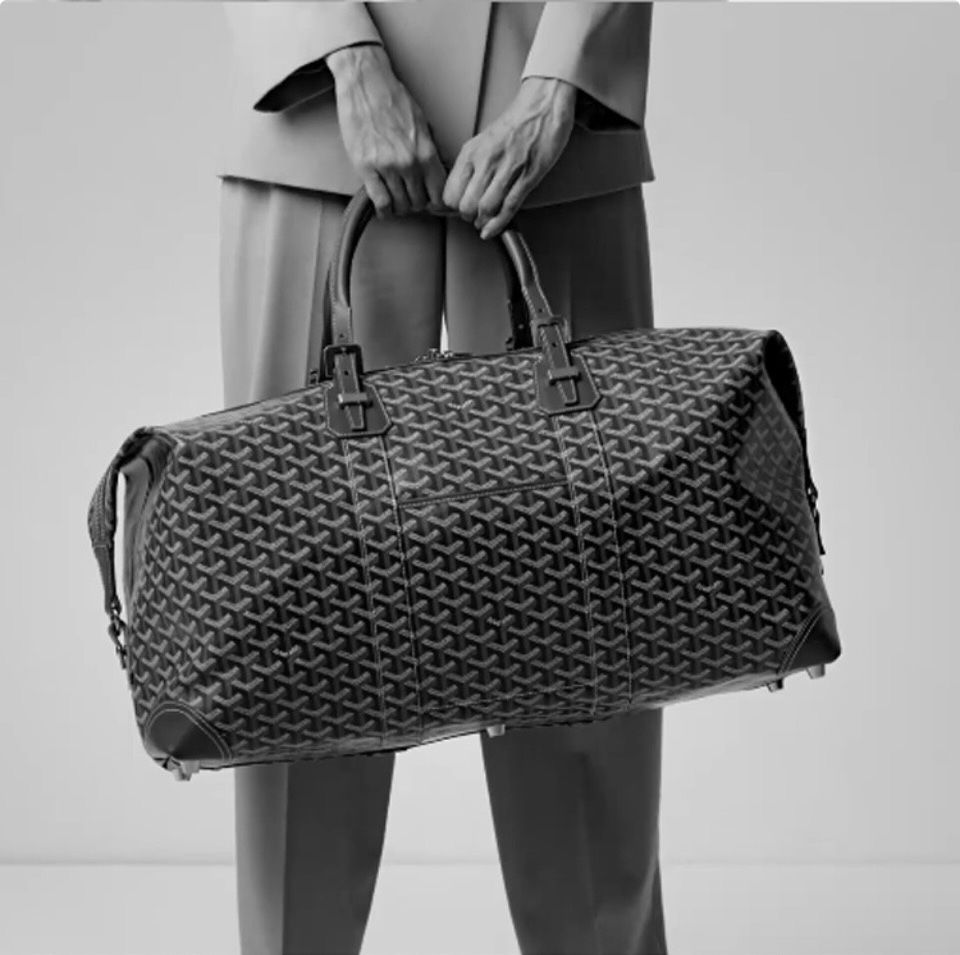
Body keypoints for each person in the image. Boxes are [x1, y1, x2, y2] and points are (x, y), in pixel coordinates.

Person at [218, 3, 667, 953]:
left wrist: (565, 73)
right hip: (316, 129)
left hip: (554, 135)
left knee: (593, 625)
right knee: (302, 636)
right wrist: (342, 56)